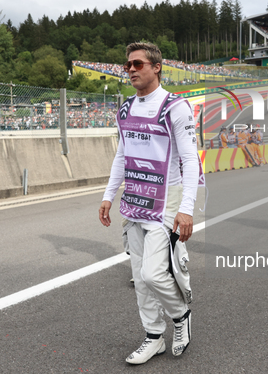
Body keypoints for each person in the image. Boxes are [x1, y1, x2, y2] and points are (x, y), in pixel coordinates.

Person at [99, 42, 198, 365]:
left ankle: (181, 315)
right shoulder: (126, 109)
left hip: (165, 203)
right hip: (134, 200)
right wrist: (108, 195)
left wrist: (186, 208)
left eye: (137, 64)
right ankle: (153, 336)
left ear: (156, 67)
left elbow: (190, 159)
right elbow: (122, 155)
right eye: (127, 65)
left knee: (155, 274)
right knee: (140, 277)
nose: (130, 69)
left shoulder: (175, 107)